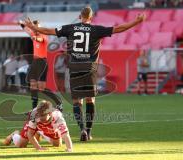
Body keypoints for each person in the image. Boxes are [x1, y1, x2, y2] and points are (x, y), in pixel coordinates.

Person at [22, 6, 146, 141]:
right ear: (91, 18)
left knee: (76, 101)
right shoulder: (96, 29)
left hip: (74, 67)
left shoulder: (70, 28)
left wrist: (33, 28)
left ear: (80, 16)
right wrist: (136, 22)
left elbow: (48, 31)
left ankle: (81, 129)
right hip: (89, 67)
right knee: (90, 99)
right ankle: (89, 131)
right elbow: (118, 29)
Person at [3, 100, 73, 152]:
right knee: (22, 145)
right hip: (35, 126)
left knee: (57, 144)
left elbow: (65, 134)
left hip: (49, 127)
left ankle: (39, 132)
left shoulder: (58, 117)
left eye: (42, 115)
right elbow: (30, 133)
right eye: (38, 115)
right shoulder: (34, 115)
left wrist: (69, 148)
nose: (40, 118)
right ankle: (14, 135)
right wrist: (38, 147)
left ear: (50, 113)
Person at [19, 20, 49, 109]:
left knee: (41, 88)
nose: (36, 30)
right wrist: (21, 23)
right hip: (35, 62)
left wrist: (35, 38)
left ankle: (46, 107)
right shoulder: (33, 34)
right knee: (32, 84)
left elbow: (40, 39)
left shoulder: (43, 36)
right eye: (34, 28)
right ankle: (34, 108)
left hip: (42, 62)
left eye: (37, 28)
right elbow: (26, 29)